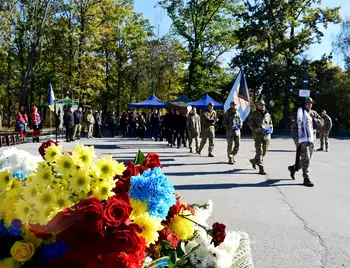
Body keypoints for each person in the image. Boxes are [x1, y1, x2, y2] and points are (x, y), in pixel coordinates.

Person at [288, 97, 324, 187]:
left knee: (307, 159)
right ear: (304, 104)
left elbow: (322, 122)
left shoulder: (313, 113)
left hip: (311, 139)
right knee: (306, 159)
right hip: (302, 140)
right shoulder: (298, 114)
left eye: (311, 103)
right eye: (308, 103)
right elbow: (293, 127)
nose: (310, 105)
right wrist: (296, 140)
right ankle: (306, 178)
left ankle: (293, 168)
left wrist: (315, 120)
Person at [248, 100, 273, 175]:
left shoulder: (267, 114)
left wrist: (271, 129)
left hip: (266, 136)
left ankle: (254, 161)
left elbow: (271, 123)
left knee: (264, 152)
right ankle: (261, 168)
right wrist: (255, 129)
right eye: (261, 105)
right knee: (259, 152)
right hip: (258, 136)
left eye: (264, 105)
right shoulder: (254, 114)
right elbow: (250, 123)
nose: (263, 106)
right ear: (257, 106)